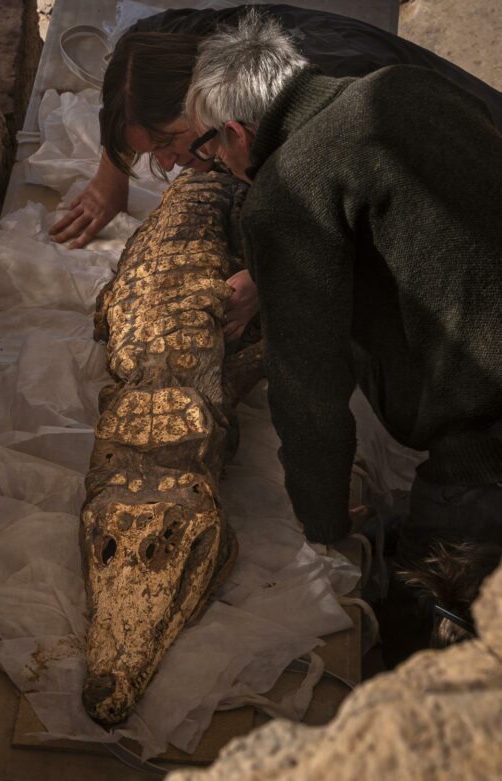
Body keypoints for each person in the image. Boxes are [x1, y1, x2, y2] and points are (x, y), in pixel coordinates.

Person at [182, 11, 502, 658]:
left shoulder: (287, 191)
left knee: (424, 634)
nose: (213, 163)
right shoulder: (404, 87)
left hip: (488, 439)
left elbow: (310, 392)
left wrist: (322, 516)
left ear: (239, 133)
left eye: (208, 148)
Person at [49, 4, 502, 340]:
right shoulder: (174, 48)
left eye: (167, 143)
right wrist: (113, 173)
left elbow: (386, 220)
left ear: (217, 116)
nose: (165, 165)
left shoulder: (321, 107)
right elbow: (128, 68)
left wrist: (272, 278)